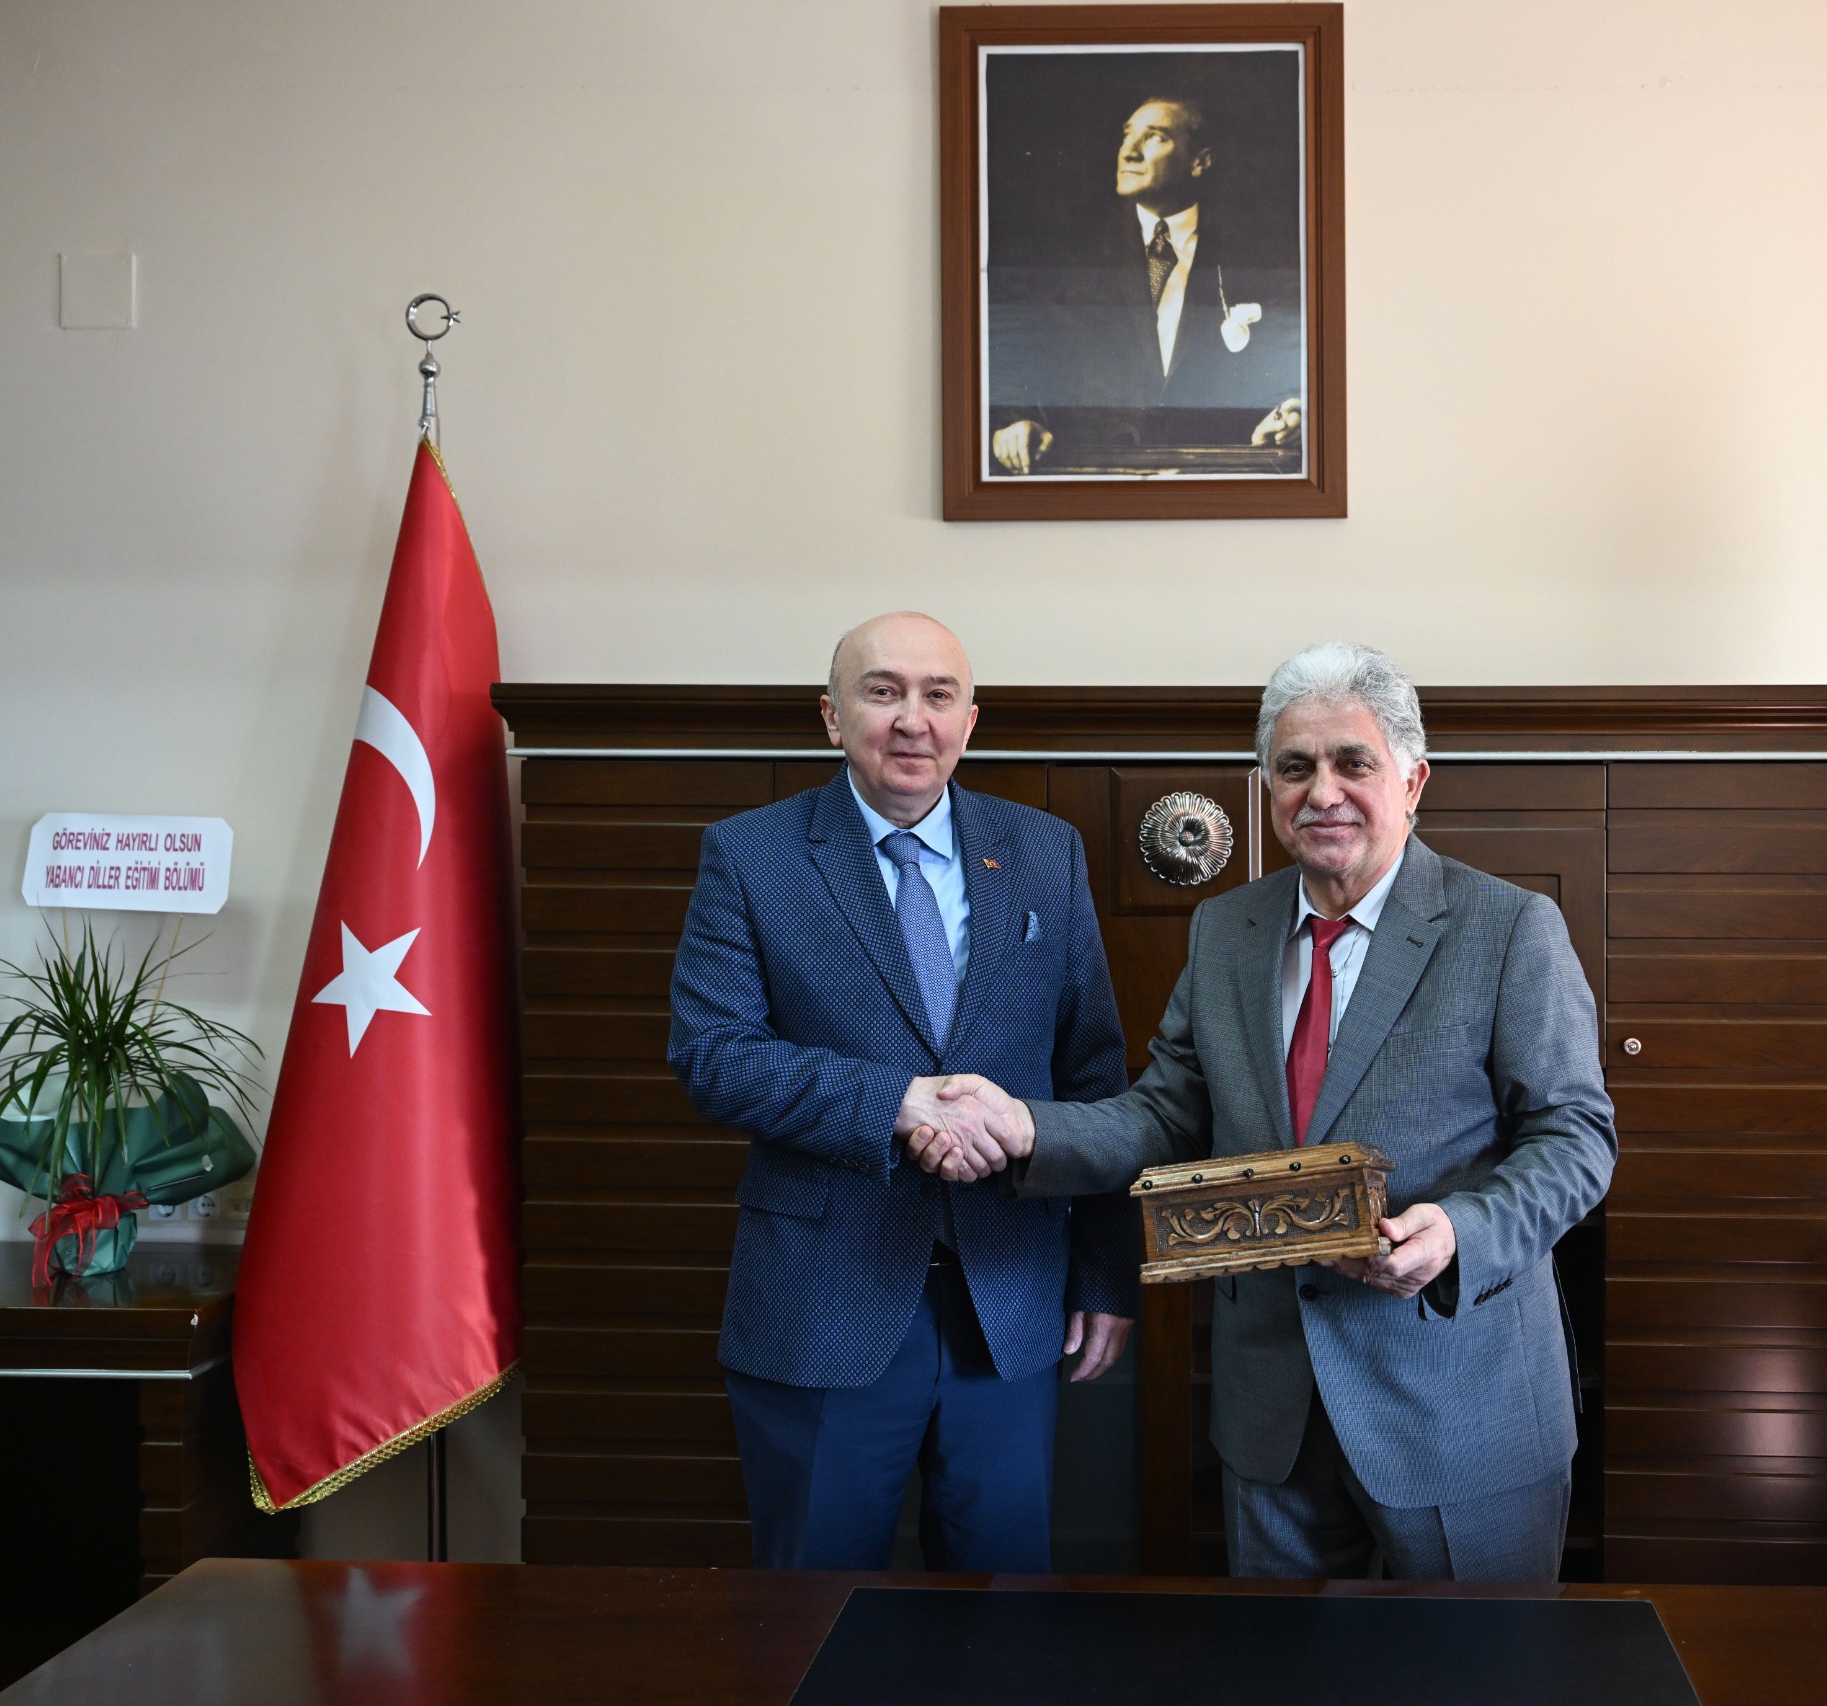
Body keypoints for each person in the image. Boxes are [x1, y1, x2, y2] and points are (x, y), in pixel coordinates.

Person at [908, 642, 1616, 1582]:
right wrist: (1027, 1129)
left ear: (1413, 781)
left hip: (1458, 1406)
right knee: (1280, 1660)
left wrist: (1458, 1232)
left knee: (1477, 1662)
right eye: (1294, 767)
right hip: (1271, 1411)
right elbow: (1164, 1116)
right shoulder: (1226, 931)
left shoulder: (1510, 927)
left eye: (1353, 763)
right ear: (1267, 788)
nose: (1322, 792)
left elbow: (1575, 1140)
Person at [666, 611, 1137, 1571]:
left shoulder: (1045, 851)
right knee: (813, 1615)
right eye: (883, 692)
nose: (912, 720)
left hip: (1009, 1302)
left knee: (1004, 1614)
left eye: (938, 695)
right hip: (822, 1303)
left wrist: (1103, 1274)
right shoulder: (751, 855)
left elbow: (1094, 1077)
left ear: (970, 720)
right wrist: (894, 1103)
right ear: (832, 716)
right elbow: (713, 1054)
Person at [988, 95, 1304, 474]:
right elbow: (1024, 355)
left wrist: (1281, 420)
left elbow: (1282, 371)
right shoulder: (1070, 252)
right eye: (1127, 135)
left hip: (1211, 477)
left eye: (1155, 137)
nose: (1129, 152)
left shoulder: (1256, 255)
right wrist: (1014, 425)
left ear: (1199, 162)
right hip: (1092, 476)